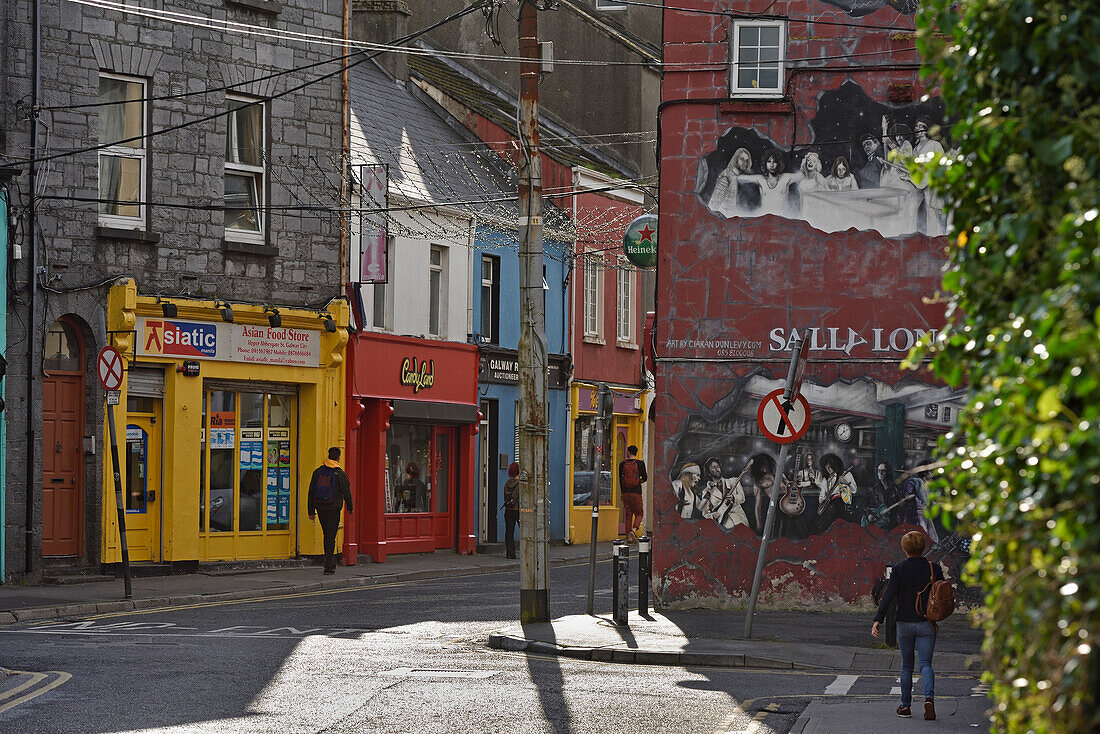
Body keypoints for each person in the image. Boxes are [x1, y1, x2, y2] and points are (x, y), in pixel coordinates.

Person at [872, 530, 945, 720]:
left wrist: (878, 619)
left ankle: (905, 706)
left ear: (905, 548)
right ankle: (929, 698)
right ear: (923, 547)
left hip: (904, 624)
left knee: (906, 666)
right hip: (927, 623)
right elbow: (942, 594)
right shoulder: (934, 569)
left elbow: (888, 595)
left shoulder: (899, 570)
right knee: (925, 664)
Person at [307, 447, 353, 575]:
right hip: (333, 509)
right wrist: (350, 508)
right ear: (338, 457)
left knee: (326, 534)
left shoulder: (317, 472)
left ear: (328, 456)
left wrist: (311, 511)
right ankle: (328, 567)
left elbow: (311, 492)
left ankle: (330, 562)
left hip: (320, 508)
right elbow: (347, 492)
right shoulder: (340, 473)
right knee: (330, 536)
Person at [698, 456, 750, 530]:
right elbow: (705, 513)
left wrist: (733, 498)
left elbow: (742, 498)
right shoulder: (706, 491)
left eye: (718, 466)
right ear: (709, 473)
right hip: (723, 525)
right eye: (713, 467)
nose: (717, 469)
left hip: (739, 520)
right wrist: (715, 515)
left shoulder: (733, 481)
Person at [618, 445, 648, 542]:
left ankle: (629, 537)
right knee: (639, 513)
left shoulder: (622, 464)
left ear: (628, 452)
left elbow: (620, 479)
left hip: (626, 493)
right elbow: (645, 477)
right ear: (636, 453)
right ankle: (634, 530)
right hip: (636, 492)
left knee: (628, 514)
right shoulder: (640, 463)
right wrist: (638, 482)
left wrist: (623, 492)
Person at [503, 461, 521, 559]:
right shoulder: (521, 484)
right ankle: (526, 551)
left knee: (509, 532)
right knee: (524, 531)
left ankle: (510, 553)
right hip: (518, 510)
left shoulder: (507, 483)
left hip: (508, 510)